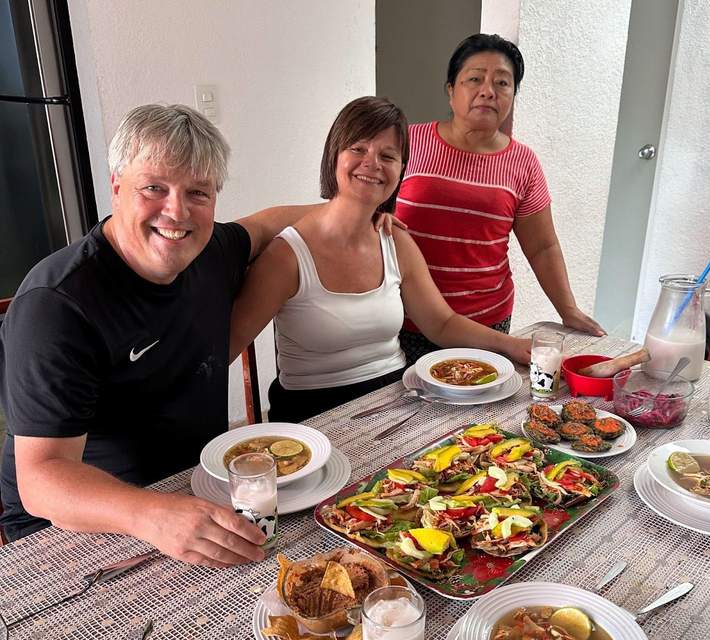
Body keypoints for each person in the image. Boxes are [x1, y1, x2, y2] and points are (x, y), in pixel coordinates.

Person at [0, 104, 314, 566]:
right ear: (117, 188)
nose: (177, 212)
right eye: (154, 187)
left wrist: (358, 213)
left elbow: (269, 222)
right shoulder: (56, 304)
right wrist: (153, 515)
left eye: (198, 192)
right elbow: (41, 480)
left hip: (188, 488)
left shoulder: (212, 250)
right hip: (74, 527)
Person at [229, 96, 531, 424]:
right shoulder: (286, 255)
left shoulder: (396, 240)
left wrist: (511, 345)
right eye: (358, 149)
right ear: (334, 155)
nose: (372, 163)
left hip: (396, 400)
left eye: (388, 156)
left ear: (401, 170)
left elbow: (441, 323)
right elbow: (227, 346)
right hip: (312, 416)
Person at [395, 33, 605, 365]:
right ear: (451, 90)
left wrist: (568, 309)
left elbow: (542, 246)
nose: (488, 91)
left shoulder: (524, 163)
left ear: (512, 95)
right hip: (405, 320)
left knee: (479, 414)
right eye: (474, 79)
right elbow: (368, 217)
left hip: (486, 324)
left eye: (503, 83)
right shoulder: (407, 143)